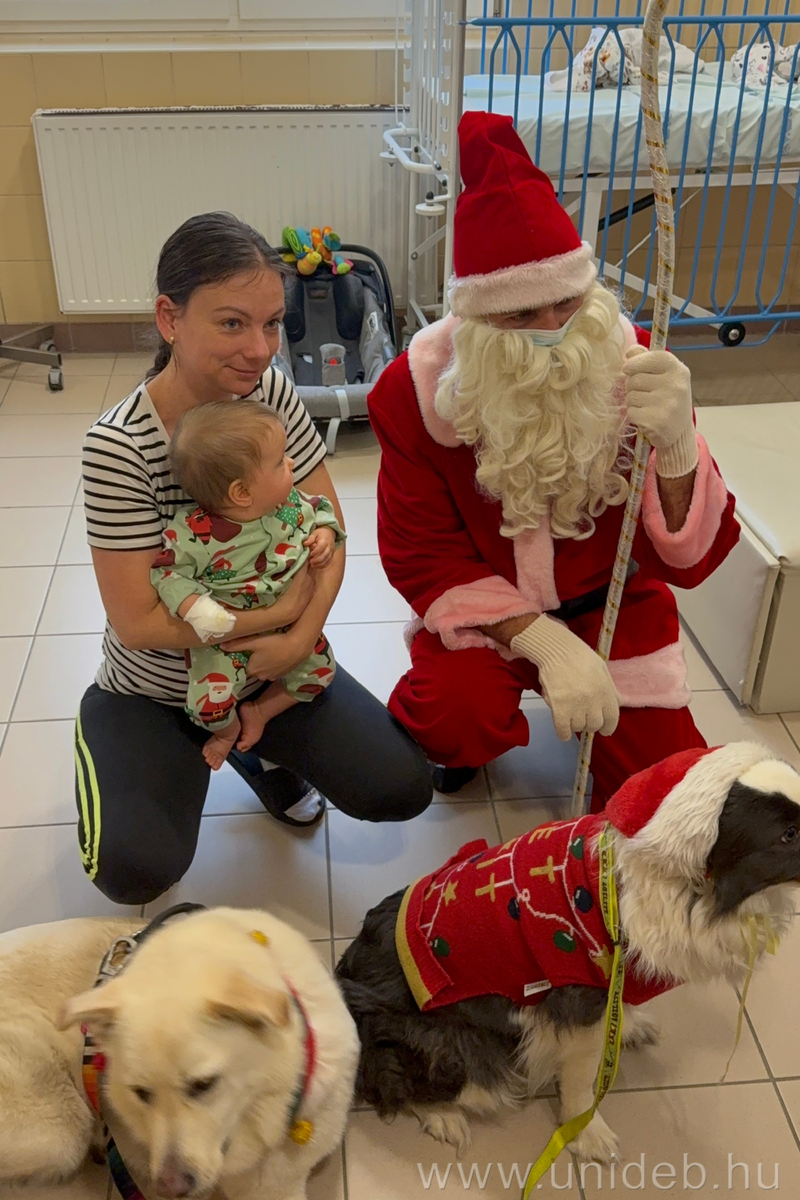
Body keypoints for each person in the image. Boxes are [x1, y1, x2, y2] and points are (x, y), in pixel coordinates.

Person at [368, 112, 740, 810]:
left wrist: (677, 450)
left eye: (567, 305)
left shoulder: (638, 364)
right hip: (486, 612)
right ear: (476, 320)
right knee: (451, 717)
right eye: (521, 317)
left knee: (667, 795)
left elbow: (688, 563)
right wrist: (542, 641)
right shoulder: (411, 393)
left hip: (611, 602)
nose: (554, 334)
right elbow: (422, 555)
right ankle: (470, 739)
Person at [76, 211, 432, 907]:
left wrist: (299, 639)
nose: (261, 349)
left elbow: (329, 528)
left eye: (272, 324)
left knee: (400, 787)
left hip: (273, 666)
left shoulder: (267, 394)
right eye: (232, 323)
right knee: (134, 868)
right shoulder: (119, 447)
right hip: (157, 689)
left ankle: (255, 746)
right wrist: (279, 616)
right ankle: (167, 740)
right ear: (170, 319)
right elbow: (139, 622)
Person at [151, 400, 344, 770]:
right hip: (225, 640)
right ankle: (228, 732)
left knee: (321, 672)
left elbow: (324, 511)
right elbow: (167, 574)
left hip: (290, 628)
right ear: (241, 492)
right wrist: (199, 610)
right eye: (280, 461)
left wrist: (324, 533)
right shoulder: (192, 534)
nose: (291, 463)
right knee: (206, 706)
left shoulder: (291, 503)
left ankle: (260, 711)